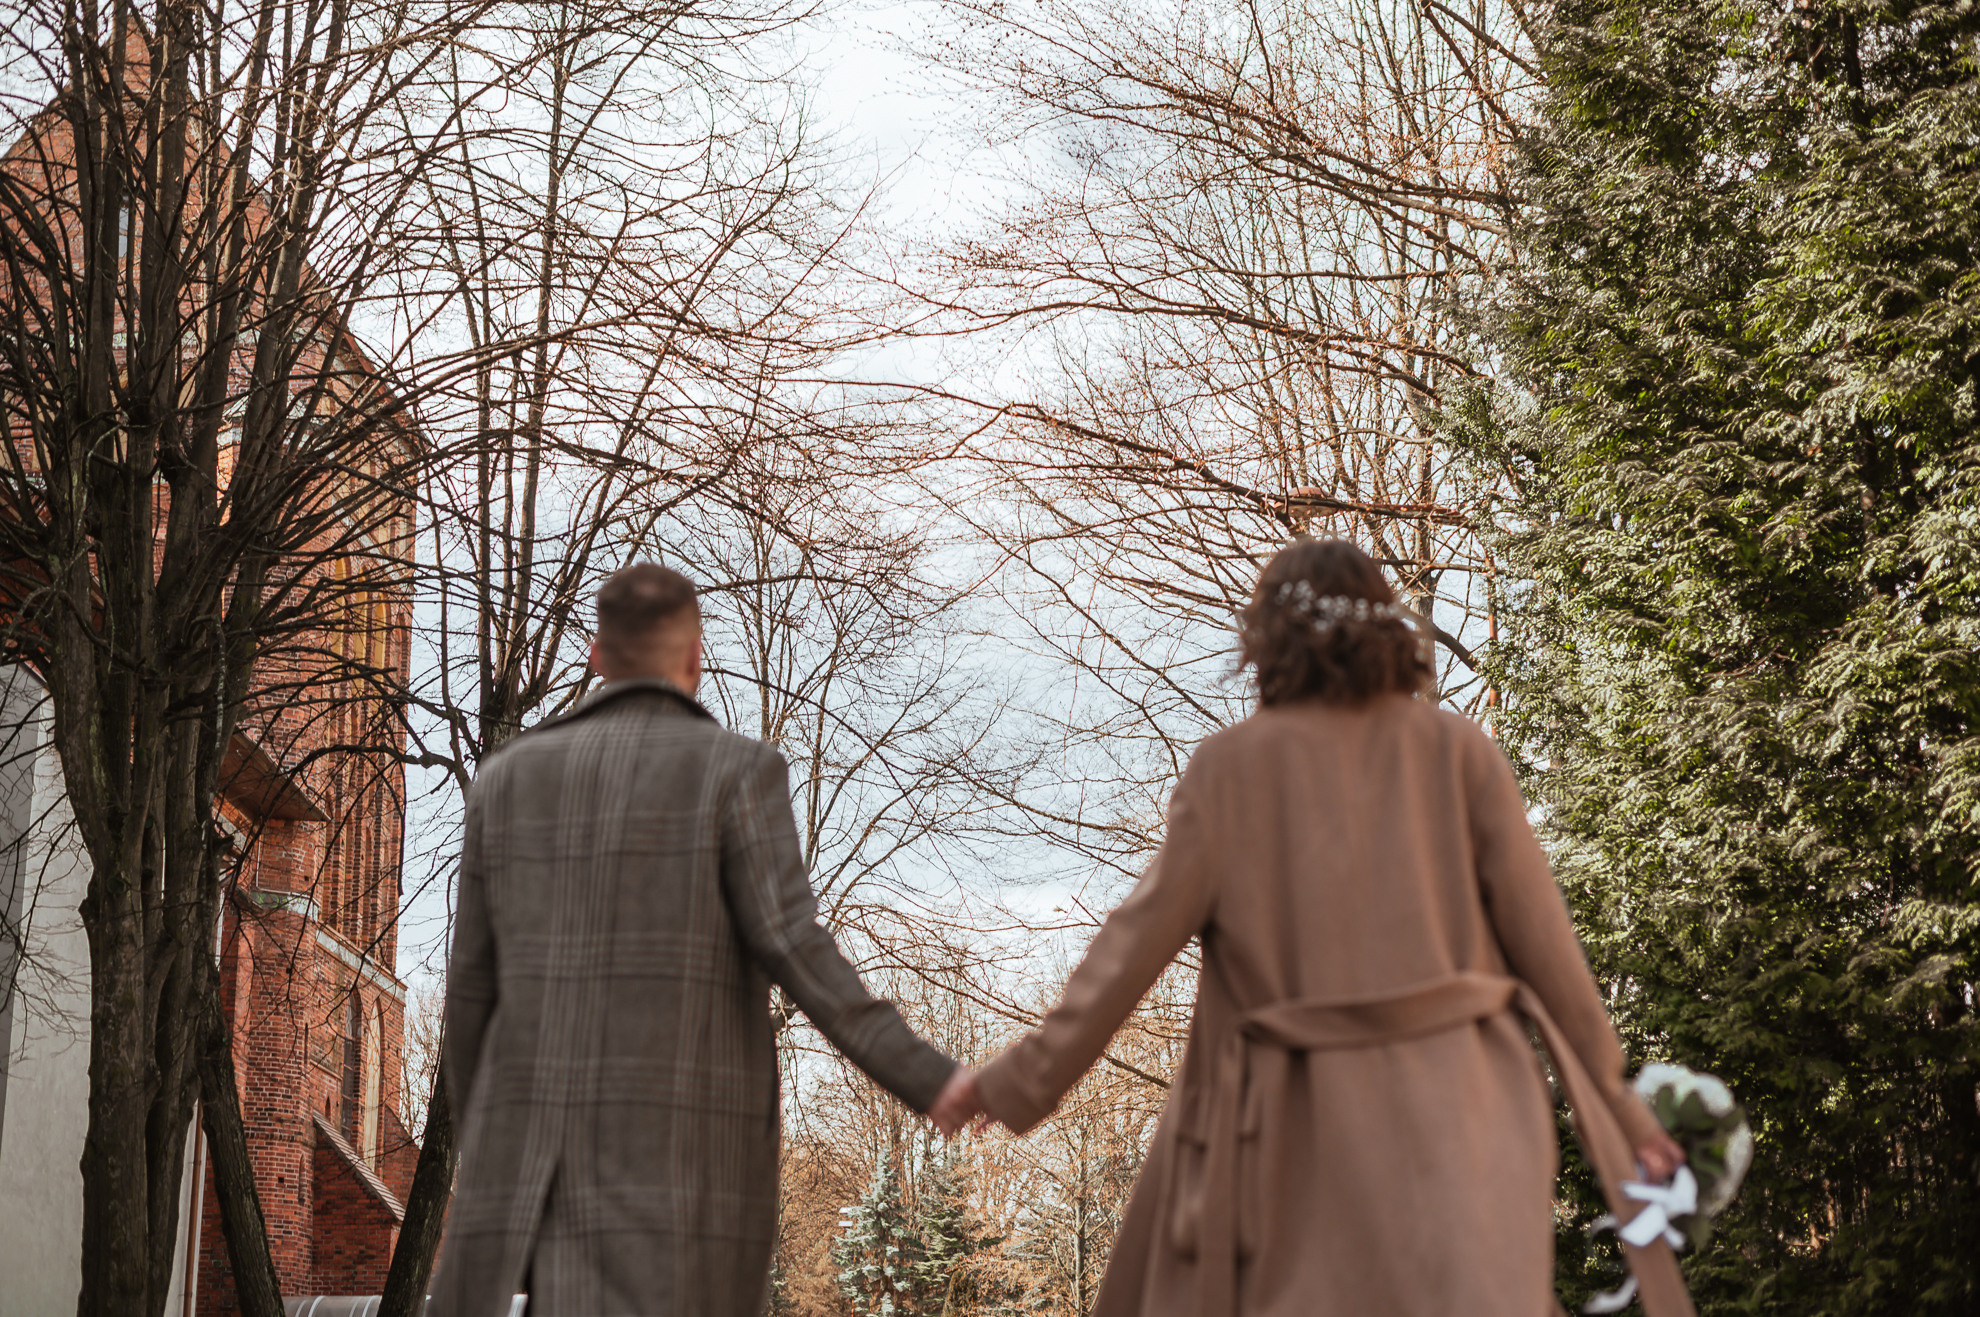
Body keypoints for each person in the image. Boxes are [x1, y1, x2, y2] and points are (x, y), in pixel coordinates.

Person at [930, 539, 1693, 1317]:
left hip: (1295, 1141)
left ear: (1266, 639)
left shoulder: (1231, 770)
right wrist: (1622, 1106)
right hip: (1471, 1121)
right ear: (1388, 625)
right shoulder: (1460, 751)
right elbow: (1550, 952)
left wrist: (1017, 1080)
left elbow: (1126, 953)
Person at [431, 562, 976, 1317]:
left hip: (524, 1176)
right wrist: (929, 1077)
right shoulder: (736, 773)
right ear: (693, 658)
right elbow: (797, 948)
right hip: (681, 1177)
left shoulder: (505, 779)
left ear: (596, 654)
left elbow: (469, 998)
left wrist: (488, 1145)